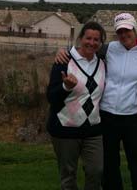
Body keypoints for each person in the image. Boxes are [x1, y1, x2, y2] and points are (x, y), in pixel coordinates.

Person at [55, 13, 137, 190]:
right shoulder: (109, 48)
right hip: (106, 115)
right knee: (109, 164)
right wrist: (63, 52)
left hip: (130, 116)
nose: (124, 35)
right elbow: (86, 48)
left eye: (127, 30)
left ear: (135, 30)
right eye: (120, 32)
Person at [47, 21, 107, 190]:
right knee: (68, 177)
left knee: (96, 171)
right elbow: (51, 96)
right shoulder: (64, 60)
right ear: (81, 38)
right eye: (88, 38)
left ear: (101, 43)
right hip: (65, 129)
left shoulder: (102, 63)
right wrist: (66, 87)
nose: (92, 43)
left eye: (97, 40)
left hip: (93, 130)